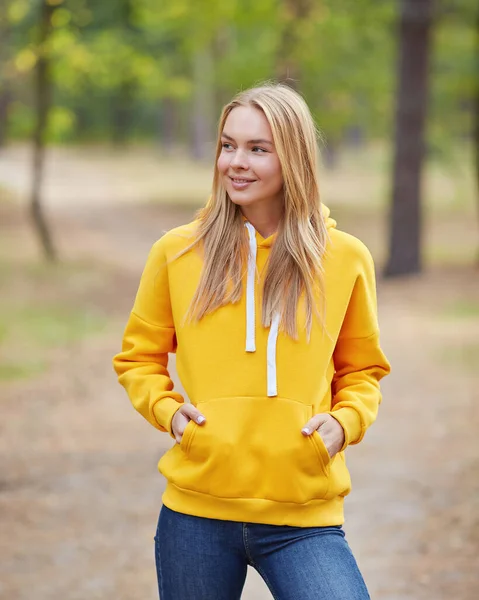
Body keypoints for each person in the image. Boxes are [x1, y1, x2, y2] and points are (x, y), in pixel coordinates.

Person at [113, 82, 391, 600]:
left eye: (258, 149)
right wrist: (171, 413)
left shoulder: (344, 258)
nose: (235, 162)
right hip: (196, 514)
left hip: (302, 515)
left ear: (295, 158)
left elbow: (362, 370)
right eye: (227, 145)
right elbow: (138, 358)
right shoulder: (177, 253)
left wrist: (343, 423)